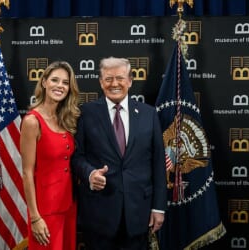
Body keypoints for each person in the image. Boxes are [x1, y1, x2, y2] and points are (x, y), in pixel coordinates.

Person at [71, 57, 167, 250]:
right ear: (100, 82)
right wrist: (90, 173)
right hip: (98, 213)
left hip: (138, 213)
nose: (114, 84)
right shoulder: (85, 113)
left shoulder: (149, 114)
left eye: (120, 78)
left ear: (130, 81)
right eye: (108, 79)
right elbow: (76, 157)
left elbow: (158, 163)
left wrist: (158, 207)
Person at [20, 61, 80, 250]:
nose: (60, 86)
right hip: (45, 211)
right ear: (44, 82)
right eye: (55, 80)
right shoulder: (32, 121)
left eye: (65, 82)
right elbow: (27, 173)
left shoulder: (67, 119)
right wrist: (35, 217)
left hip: (69, 207)